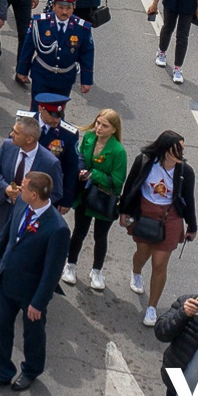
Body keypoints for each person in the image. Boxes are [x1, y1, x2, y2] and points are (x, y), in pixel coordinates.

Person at [0, 170, 70, 395]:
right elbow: (6, 234)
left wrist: (38, 302)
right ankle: (2, 372)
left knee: (33, 334)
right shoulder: (20, 206)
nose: (19, 188)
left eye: (24, 186)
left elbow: (52, 271)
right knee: (1, 328)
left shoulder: (57, 228)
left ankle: (31, 370)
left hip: (31, 292)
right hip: (7, 281)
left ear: (35, 194)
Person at [121, 129, 198, 326]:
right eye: (176, 149)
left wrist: (192, 225)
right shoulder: (144, 161)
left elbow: (189, 199)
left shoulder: (185, 172)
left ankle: (152, 307)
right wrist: (124, 211)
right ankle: (136, 272)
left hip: (170, 216)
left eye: (182, 148)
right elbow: (130, 186)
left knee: (160, 263)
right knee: (143, 252)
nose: (181, 153)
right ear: (165, 149)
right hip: (145, 211)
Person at [64, 107, 126, 293]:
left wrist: (94, 174)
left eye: (104, 125)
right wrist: (81, 170)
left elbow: (117, 182)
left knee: (100, 236)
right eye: (98, 123)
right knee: (79, 232)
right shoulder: (90, 138)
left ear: (114, 129)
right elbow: (80, 155)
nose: (99, 128)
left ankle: (97, 271)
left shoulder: (118, 151)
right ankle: (71, 264)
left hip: (104, 200)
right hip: (85, 195)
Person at [16, 0, 95, 104]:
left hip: (65, 78)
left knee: (57, 113)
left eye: (68, 8)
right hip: (42, 74)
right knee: (38, 109)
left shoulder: (82, 28)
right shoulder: (40, 23)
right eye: (60, 7)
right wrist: (22, 70)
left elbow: (87, 54)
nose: (64, 12)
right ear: (53, 6)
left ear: (73, 8)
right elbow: (28, 47)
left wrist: (86, 80)